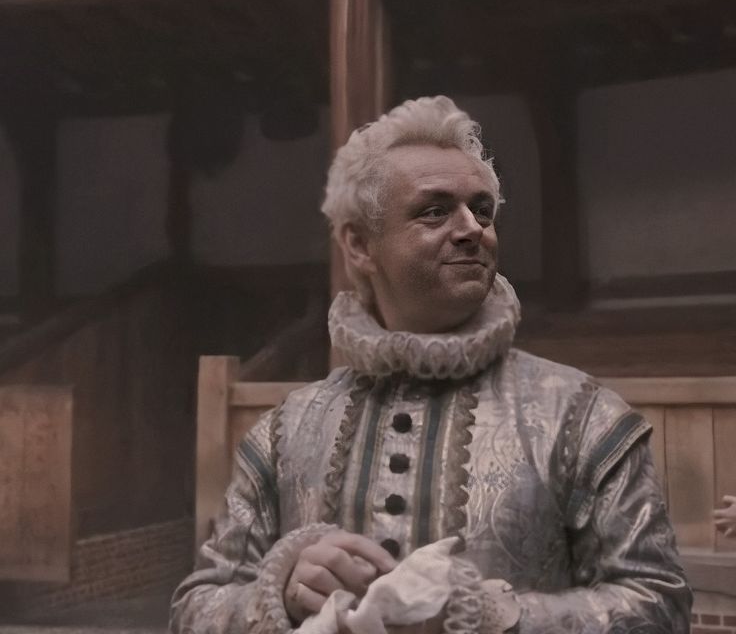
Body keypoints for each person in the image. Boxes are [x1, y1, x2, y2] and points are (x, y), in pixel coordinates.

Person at [170, 96, 691, 633]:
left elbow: (661, 606)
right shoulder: (282, 433)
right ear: (359, 245)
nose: (472, 229)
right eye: (434, 210)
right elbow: (195, 609)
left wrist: (495, 616)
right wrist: (280, 590)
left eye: (482, 210)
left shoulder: (585, 419)